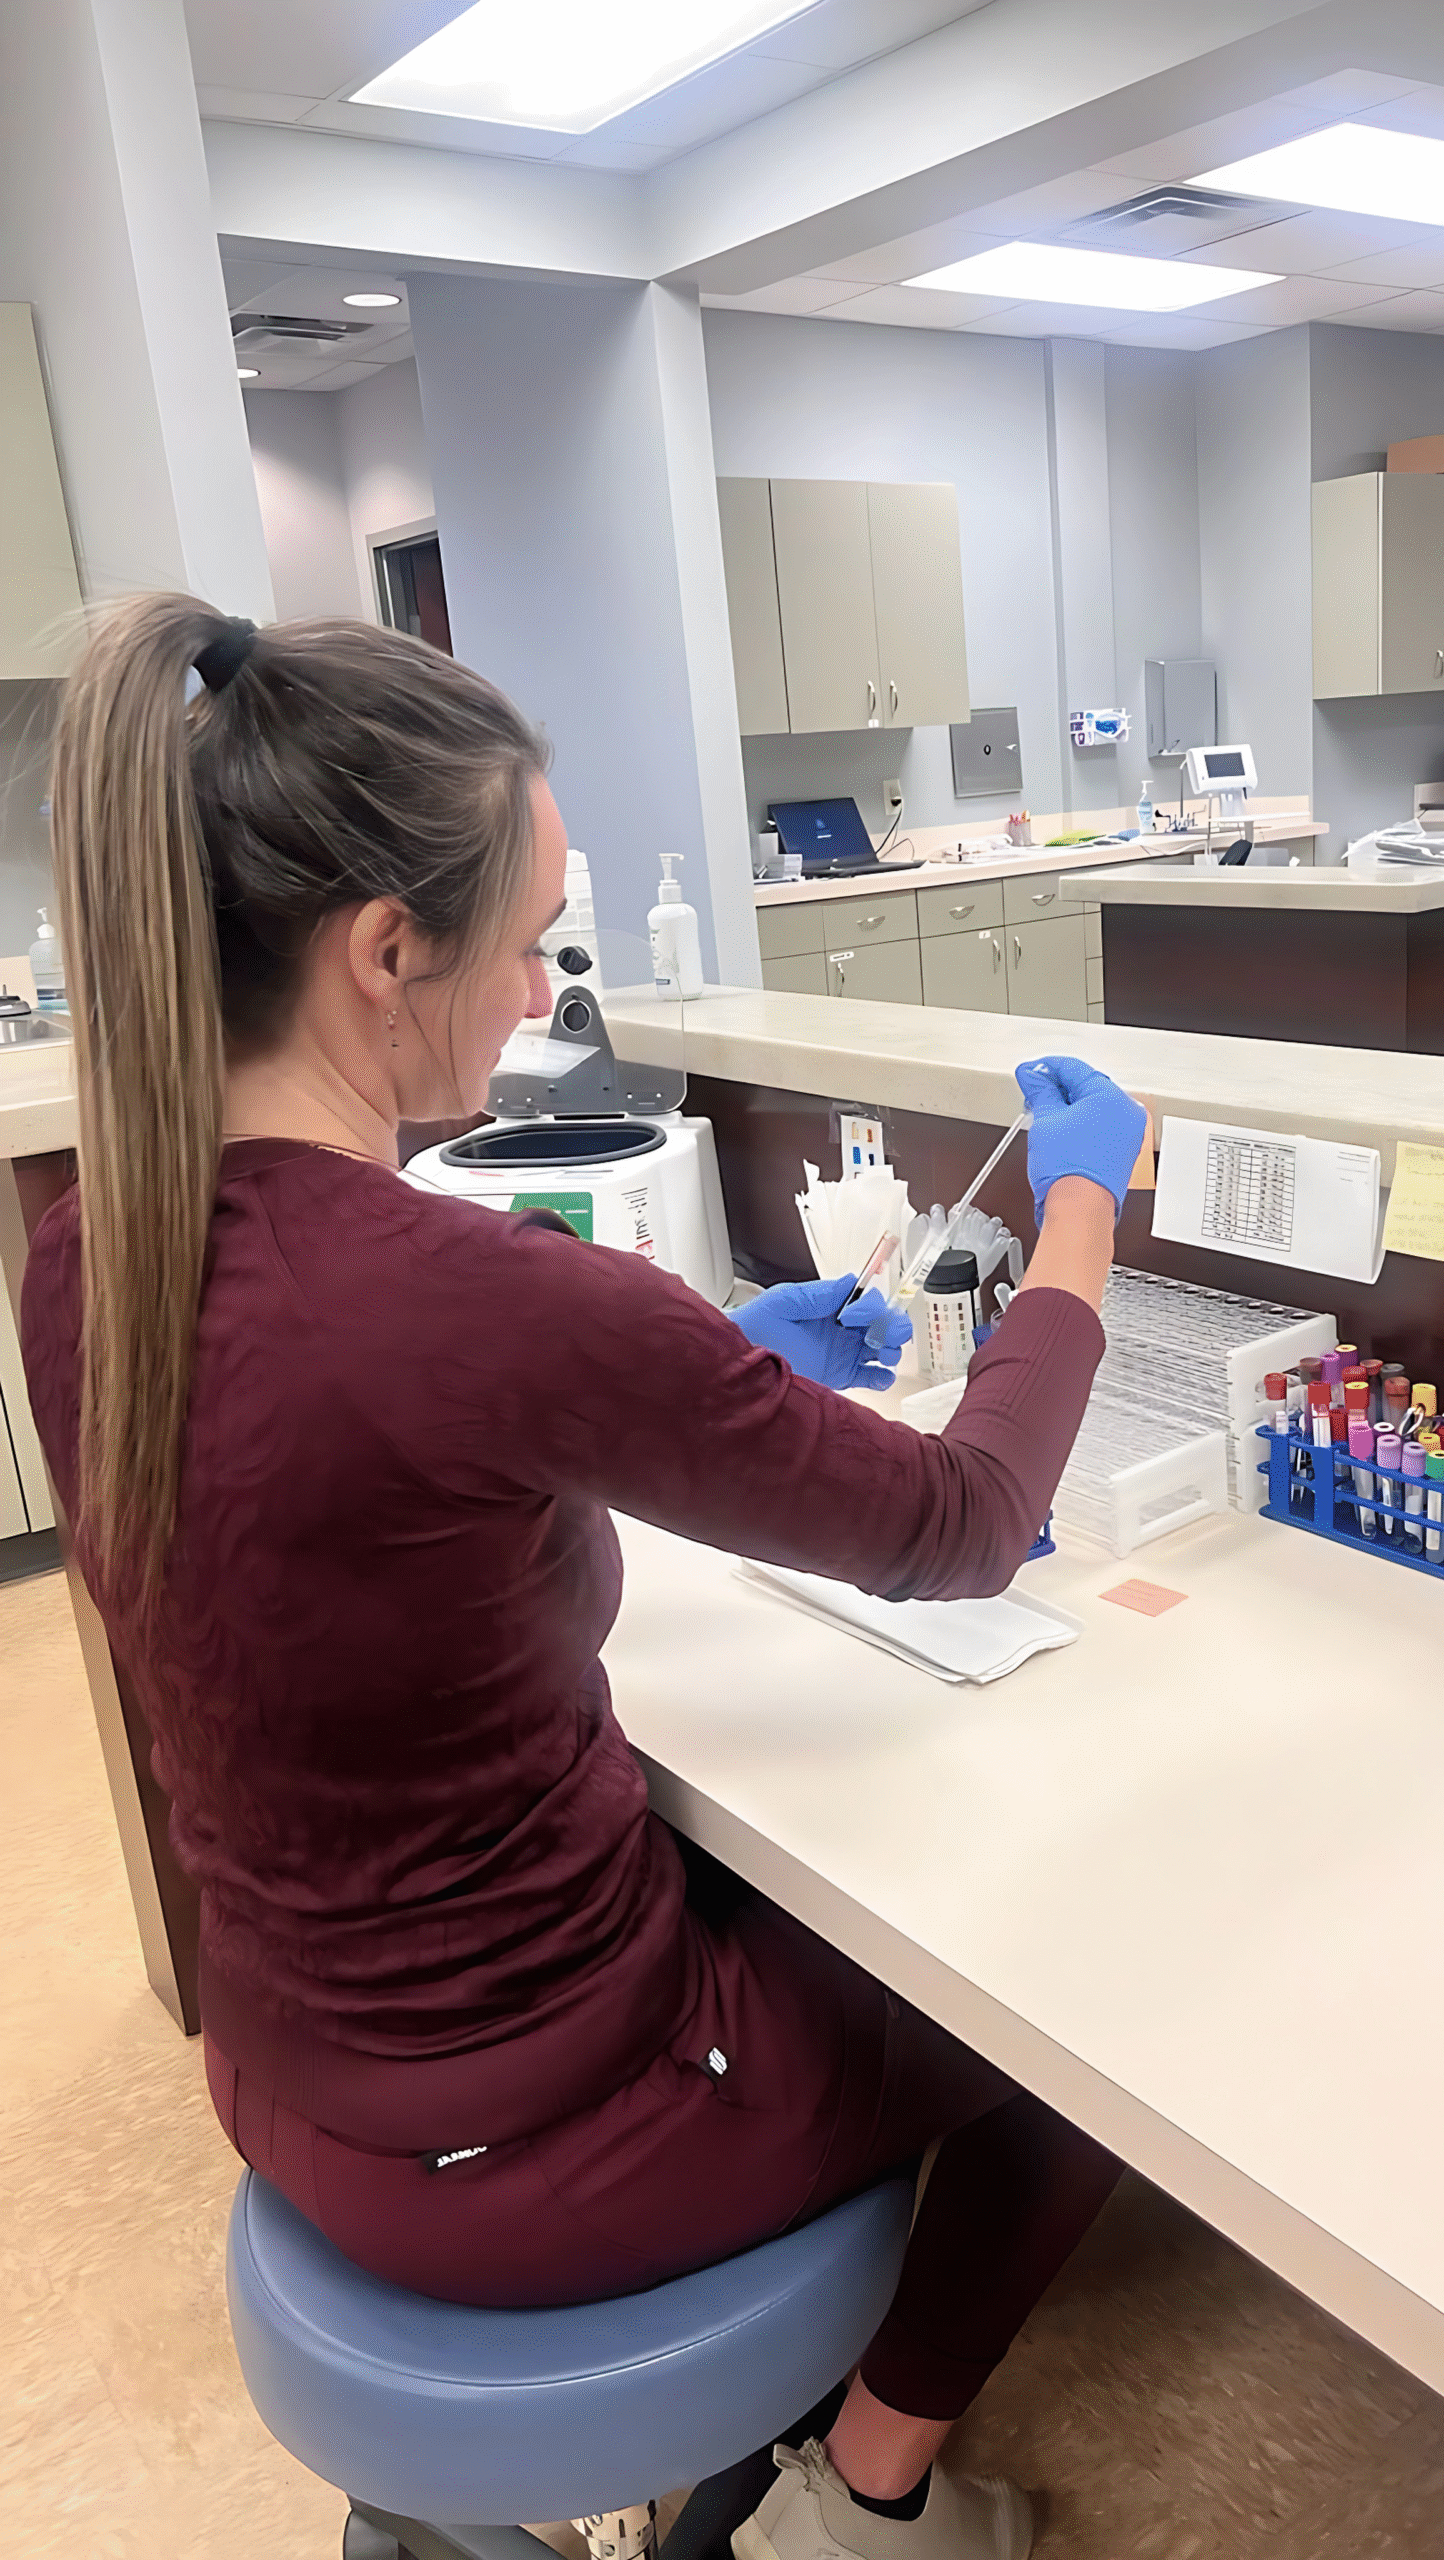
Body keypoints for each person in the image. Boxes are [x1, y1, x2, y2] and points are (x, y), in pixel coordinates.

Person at [22, 596, 1152, 2560]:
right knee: (1087, 2022)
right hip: (539, 2141)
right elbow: (968, 1520)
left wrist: (728, 1377)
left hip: (285, 2066)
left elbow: (362, 1529)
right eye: (530, 939)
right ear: (385, 948)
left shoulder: (81, 1252)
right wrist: (1080, 1212)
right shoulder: (475, 1297)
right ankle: (863, 2501)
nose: (540, 988)